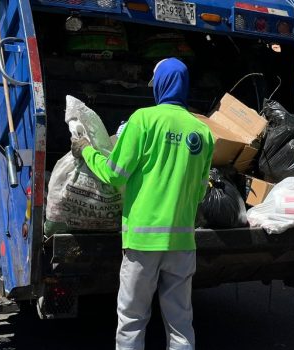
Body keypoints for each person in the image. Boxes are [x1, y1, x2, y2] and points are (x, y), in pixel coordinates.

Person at [72, 58, 213, 350]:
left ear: (160, 84)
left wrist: (86, 151)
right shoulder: (203, 132)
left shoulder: (143, 120)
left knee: (133, 319)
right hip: (182, 244)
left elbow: (113, 174)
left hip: (143, 243)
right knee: (180, 323)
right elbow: (201, 193)